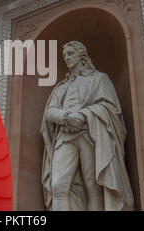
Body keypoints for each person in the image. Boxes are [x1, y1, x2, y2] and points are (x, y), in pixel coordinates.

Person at [40, 41, 134, 211]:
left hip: (89, 135)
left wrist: (84, 115)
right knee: (58, 185)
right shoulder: (61, 87)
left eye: (70, 54)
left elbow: (110, 108)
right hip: (64, 138)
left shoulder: (99, 79)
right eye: (65, 55)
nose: (66, 58)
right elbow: (50, 111)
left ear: (81, 55)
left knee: (94, 186)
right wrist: (66, 117)